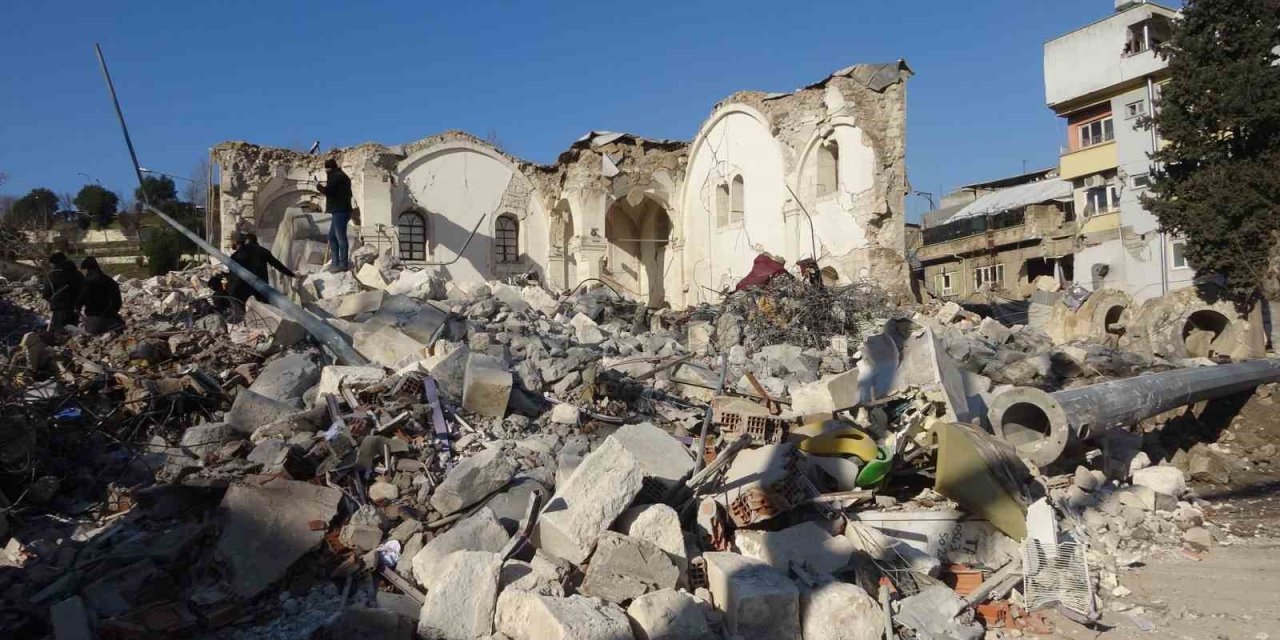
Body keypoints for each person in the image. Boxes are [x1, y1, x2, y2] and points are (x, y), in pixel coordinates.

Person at [227, 232, 301, 304]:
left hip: (246, 292)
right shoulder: (262, 250)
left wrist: (231, 294)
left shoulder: (238, 255)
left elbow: (234, 279)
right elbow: (277, 264)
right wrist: (292, 274)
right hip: (262, 287)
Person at [315, 158, 353, 272]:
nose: (326, 171)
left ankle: (343, 264)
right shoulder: (339, 175)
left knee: (340, 237)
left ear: (329, 168)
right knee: (332, 236)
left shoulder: (336, 177)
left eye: (326, 168)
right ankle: (335, 263)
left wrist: (318, 186)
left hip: (340, 210)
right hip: (340, 210)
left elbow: (329, 191)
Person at [77, 257, 125, 334]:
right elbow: (117, 301)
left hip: (93, 321)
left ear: (87, 269)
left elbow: (78, 303)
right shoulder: (109, 281)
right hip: (110, 320)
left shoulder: (85, 283)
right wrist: (111, 313)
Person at [40, 252, 83, 330]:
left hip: (59, 308)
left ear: (54, 263)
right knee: (73, 332)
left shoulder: (52, 275)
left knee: (60, 334)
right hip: (75, 308)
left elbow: (46, 293)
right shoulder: (78, 274)